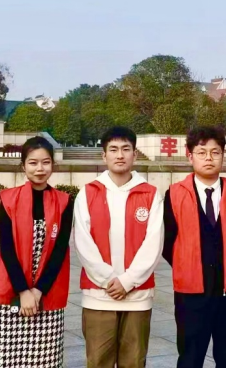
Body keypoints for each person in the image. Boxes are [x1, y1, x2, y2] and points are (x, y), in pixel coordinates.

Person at [163, 126, 226, 368]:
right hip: (191, 294)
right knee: (190, 358)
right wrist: (190, 264)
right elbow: (168, 243)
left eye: (215, 152)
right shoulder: (174, 194)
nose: (209, 158)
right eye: (201, 153)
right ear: (189, 156)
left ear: (223, 155)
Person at [74, 126, 164, 368]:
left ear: (135, 154)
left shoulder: (150, 194)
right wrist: (107, 279)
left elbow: (154, 242)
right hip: (98, 295)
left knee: (134, 362)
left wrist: (128, 281)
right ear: (104, 155)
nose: (120, 155)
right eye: (113, 149)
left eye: (126, 149)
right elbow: (83, 242)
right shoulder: (88, 193)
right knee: (98, 362)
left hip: (138, 295)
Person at [0, 137, 74, 368]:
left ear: (53, 165)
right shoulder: (8, 199)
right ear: (23, 166)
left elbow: (60, 250)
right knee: (1, 360)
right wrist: (23, 291)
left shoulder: (63, 202)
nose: (39, 169)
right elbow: (7, 248)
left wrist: (38, 290)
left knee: (44, 360)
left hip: (47, 291)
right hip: (13, 288)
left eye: (45, 162)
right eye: (33, 163)